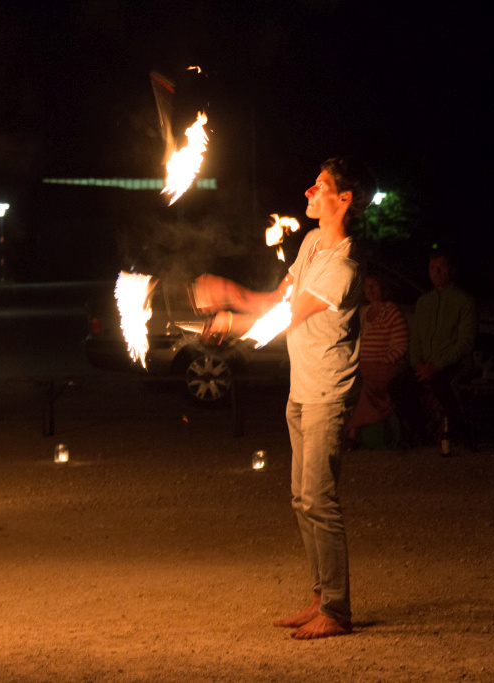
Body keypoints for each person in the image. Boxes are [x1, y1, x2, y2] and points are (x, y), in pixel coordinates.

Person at [192, 157, 375, 639]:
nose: (309, 191)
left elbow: (289, 316)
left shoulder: (345, 267)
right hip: (302, 389)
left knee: (320, 498)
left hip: (328, 393)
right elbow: (278, 299)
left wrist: (232, 312)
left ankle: (337, 611)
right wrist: (235, 300)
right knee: (302, 498)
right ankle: (320, 598)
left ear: (344, 199)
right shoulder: (313, 244)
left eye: (320, 185)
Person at [397, 249, 477, 444]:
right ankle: (421, 429)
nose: (436, 272)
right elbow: (415, 338)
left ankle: (461, 432)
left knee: (444, 384)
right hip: (425, 364)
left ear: (452, 271)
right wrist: (417, 364)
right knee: (398, 386)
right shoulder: (424, 302)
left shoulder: (464, 301)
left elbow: (465, 342)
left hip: (452, 364)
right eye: (432, 268)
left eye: (441, 267)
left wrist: (436, 365)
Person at [345, 273, 408, 448]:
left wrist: (384, 361)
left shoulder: (391, 312)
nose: (370, 290)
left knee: (365, 387)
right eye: (367, 286)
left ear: (383, 288)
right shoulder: (363, 313)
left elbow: (401, 345)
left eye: (374, 286)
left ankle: (352, 432)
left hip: (385, 368)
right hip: (365, 367)